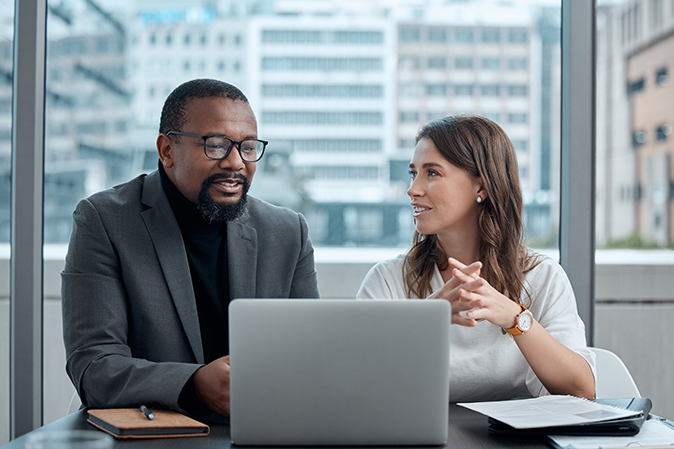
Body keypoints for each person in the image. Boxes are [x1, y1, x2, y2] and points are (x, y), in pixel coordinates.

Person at [62, 79, 319, 421]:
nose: (236, 162)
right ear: (167, 150)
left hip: (262, 428)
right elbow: (94, 368)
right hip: (151, 436)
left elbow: (314, 359)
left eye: (248, 146)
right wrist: (193, 383)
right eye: (216, 145)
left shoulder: (288, 232)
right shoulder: (105, 221)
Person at [357, 114, 596, 402]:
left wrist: (515, 317)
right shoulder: (388, 280)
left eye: (431, 172)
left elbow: (582, 390)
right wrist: (427, 318)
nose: (412, 189)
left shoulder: (542, 277)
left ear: (481, 187)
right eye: (413, 173)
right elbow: (357, 386)